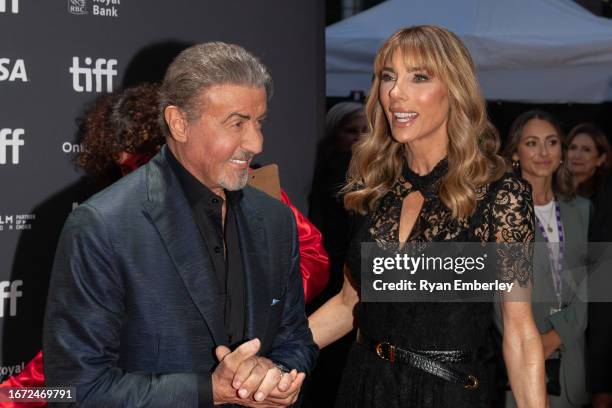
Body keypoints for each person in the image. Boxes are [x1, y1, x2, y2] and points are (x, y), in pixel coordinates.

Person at [43, 42, 318, 407]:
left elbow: (296, 339)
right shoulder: (103, 227)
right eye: (236, 123)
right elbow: (74, 392)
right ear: (179, 122)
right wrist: (209, 391)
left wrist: (278, 373)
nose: (256, 142)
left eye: (258, 122)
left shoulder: (276, 218)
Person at [308, 25, 546, 407]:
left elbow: (519, 333)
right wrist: (277, 355)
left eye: (419, 77)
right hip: (365, 386)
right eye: (389, 77)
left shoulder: (501, 195)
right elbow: (350, 302)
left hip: (449, 392)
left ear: (455, 90)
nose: (396, 93)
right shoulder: (373, 188)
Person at [497, 110, 589, 407]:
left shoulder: (583, 210)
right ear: (515, 153)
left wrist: (557, 335)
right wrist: (534, 344)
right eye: (532, 143)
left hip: (573, 362)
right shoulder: (499, 213)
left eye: (551, 142)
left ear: (561, 151)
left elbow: (597, 280)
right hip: (520, 361)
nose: (543, 152)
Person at [566, 123, 611, 200]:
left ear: (600, 159)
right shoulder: (551, 187)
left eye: (586, 150)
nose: (577, 155)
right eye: (573, 148)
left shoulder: (606, 195)